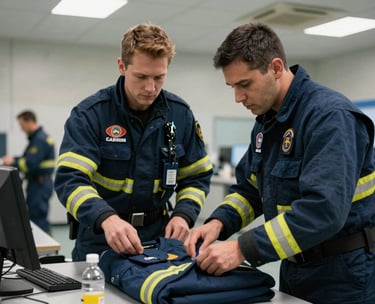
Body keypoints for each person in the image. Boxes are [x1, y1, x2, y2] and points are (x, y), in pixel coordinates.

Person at [184, 22, 375, 304]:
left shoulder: (329, 117)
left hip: (343, 276)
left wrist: (242, 249)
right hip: (294, 267)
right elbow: (250, 191)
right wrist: (217, 224)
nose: (238, 98)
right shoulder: (267, 124)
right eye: (232, 86)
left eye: (244, 84)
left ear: (275, 68)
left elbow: (323, 211)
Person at [54, 23, 213, 261]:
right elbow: (70, 180)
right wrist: (106, 218)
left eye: (159, 77)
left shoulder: (180, 115)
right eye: (141, 76)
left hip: (158, 239)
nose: (151, 88)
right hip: (102, 238)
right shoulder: (91, 114)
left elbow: (196, 176)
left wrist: (183, 214)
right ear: (122, 66)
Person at [0, 110, 55, 233]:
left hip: (39, 185)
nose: (21, 129)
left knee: (37, 218)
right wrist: (14, 159)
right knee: (37, 216)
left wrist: (12, 162)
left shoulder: (39, 140)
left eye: (22, 125)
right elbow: (28, 159)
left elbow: (29, 165)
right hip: (39, 183)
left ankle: (44, 250)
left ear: (29, 121)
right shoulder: (39, 138)